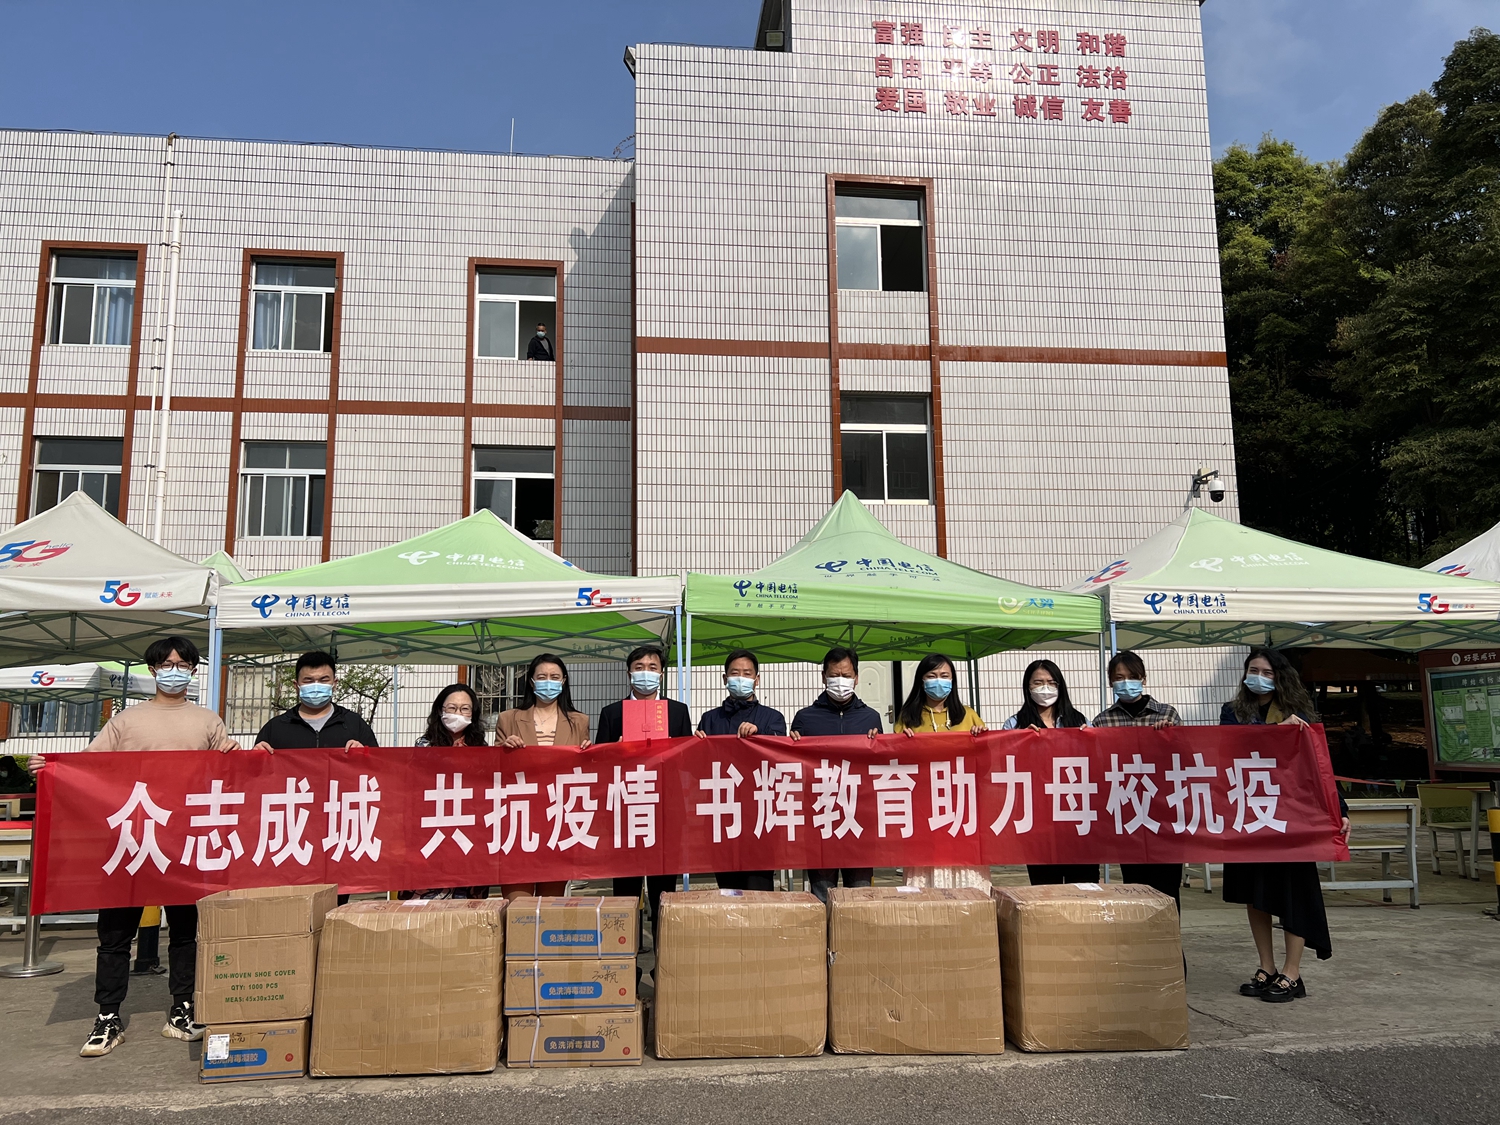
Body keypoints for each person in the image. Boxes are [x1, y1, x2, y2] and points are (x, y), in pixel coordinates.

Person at [27, 635, 238, 1058]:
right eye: (166, 664)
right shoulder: (126, 721)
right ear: (153, 669)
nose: (174, 671)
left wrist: (251, 757)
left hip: (184, 842)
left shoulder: (208, 721)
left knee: (186, 932)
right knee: (114, 933)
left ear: (193, 670)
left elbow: (231, 774)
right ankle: (108, 1016)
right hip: (130, 840)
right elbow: (88, 768)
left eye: (182, 664)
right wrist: (49, 770)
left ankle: (182, 1009)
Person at [1221, 648, 1350, 1003]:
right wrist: (1277, 731)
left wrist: (1340, 810)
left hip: (1291, 818)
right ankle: (1267, 966)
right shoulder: (1232, 712)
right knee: (1255, 893)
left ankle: (1293, 973)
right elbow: (1233, 746)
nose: (1258, 677)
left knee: (1294, 892)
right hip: (1249, 815)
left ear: (1280, 677)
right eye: (1253, 670)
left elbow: (1319, 766)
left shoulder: (1300, 715)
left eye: (1267, 672)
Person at [597, 645, 692, 927]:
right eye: (639, 668)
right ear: (629, 673)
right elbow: (599, 765)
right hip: (625, 810)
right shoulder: (612, 713)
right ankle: (627, 948)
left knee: (663, 888)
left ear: (661, 674)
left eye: (652, 668)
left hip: (665, 811)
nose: (645, 673)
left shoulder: (677, 711)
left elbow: (687, 762)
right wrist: (615, 751)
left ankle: (663, 945)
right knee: (626, 888)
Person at [1090, 650, 1184, 908]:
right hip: (1128, 815)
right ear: (1111, 682)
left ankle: (1171, 935)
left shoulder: (1167, 714)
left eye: (1132, 677)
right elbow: (1097, 766)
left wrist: (1171, 737)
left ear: (1143, 679)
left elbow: (1185, 758)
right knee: (1136, 888)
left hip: (1165, 814)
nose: (1126, 682)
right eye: (1119, 677)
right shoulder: (1102, 721)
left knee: (1167, 890)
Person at [791, 647, 882, 903]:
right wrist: (793, 744)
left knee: (860, 895)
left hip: (859, 820)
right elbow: (795, 767)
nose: (840, 681)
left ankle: (857, 930)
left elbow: (881, 768)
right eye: (834, 675)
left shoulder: (871, 718)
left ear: (856, 678)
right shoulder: (805, 718)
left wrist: (879, 744)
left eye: (846, 675)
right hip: (821, 819)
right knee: (822, 895)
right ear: (824, 677)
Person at [1000, 659, 1102, 886]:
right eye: (1038, 683)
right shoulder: (1015, 724)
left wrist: (1091, 739)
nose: (1045, 688)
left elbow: (1098, 764)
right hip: (1038, 822)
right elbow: (1003, 766)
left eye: (1051, 682)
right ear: (1027, 687)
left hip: (1077, 817)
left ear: (1060, 686)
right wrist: (1019, 742)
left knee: (1084, 888)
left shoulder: (1079, 721)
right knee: (1046, 889)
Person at [496, 654, 590, 901]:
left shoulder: (579, 721)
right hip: (519, 819)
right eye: (542, 676)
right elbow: (492, 769)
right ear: (531, 681)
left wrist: (590, 753)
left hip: (558, 817)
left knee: (551, 903)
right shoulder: (508, 718)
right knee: (517, 903)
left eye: (554, 677)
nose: (548, 682)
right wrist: (503, 749)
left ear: (564, 681)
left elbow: (586, 771)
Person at [895, 653, 989, 890]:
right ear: (921, 680)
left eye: (945, 676)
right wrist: (901, 744)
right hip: (923, 810)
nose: (939, 680)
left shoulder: (968, 715)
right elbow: (893, 765)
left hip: (962, 809)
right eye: (932, 675)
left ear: (953, 680)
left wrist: (983, 739)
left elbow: (986, 763)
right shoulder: (908, 718)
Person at [696, 649, 786, 891]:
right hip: (721, 814)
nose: (741, 678)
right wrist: (695, 746)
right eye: (735, 673)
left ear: (757, 679)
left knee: (759, 890)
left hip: (759, 814)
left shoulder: (772, 718)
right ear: (724, 679)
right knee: (728, 891)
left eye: (747, 674)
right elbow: (698, 769)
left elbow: (780, 757)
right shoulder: (709, 719)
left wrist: (760, 735)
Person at [407, 683, 491, 900]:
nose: (458, 713)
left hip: (470, 834)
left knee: (466, 907)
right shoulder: (423, 747)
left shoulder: (483, 751)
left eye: (465, 709)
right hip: (433, 830)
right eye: (451, 708)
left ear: (473, 713)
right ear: (440, 710)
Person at [251, 651, 377, 751]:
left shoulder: (354, 724)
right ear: (296, 685)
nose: (316, 686)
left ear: (334, 684)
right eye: (308, 680)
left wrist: (364, 753)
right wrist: (256, 756)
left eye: (324, 680)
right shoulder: (275, 728)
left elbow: (378, 767)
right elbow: (256, 772)